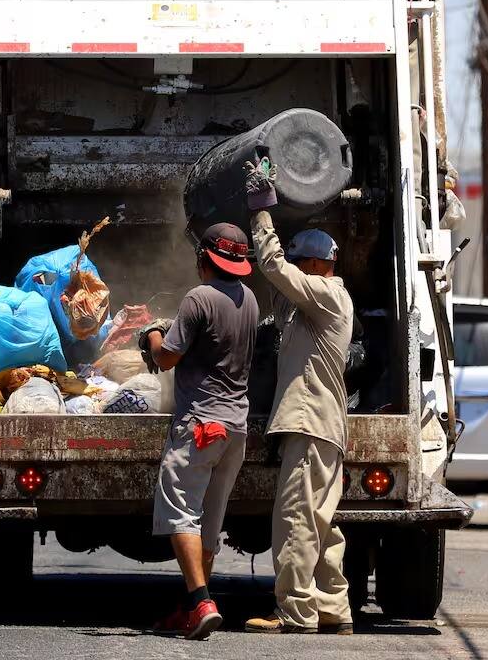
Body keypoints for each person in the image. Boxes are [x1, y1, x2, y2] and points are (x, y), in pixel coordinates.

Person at [241, 159, 356, 636]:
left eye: (299, 264)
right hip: (323, 425)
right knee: (323, 525)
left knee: (295, 520)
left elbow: (271, 265)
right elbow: (280, 291)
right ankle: (332, 607)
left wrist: (261, 208)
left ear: (312, 266)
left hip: (310, 423)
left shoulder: (327, 293)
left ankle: (295, 612)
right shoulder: (325, 301)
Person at [137, 222, 260, 640]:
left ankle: (202, 602)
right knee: (211, 520)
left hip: (200, 425)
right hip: (235, 428)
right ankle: (191, 607)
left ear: (203, 258)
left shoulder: (198, 297)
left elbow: (167, 358)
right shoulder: (250, 300)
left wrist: (153, 334)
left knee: (180, 513)